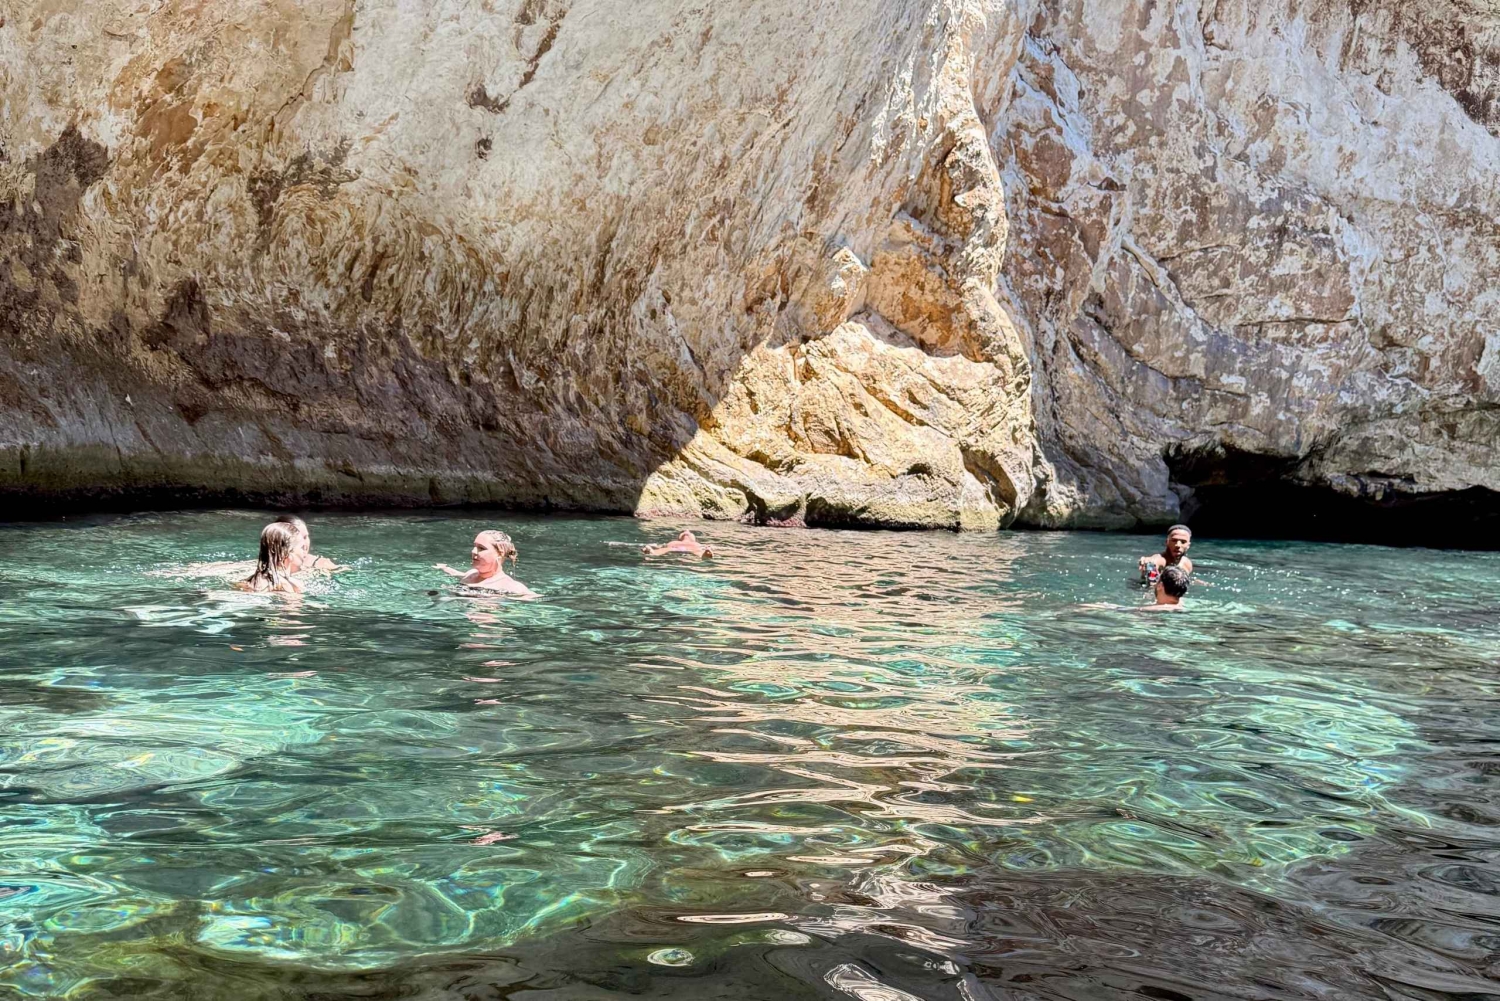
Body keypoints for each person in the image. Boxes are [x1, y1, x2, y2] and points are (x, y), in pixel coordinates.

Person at [436, 530, 537, 597]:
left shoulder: (509, 586)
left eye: (481, 548)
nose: (473, 551)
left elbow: (536, 598)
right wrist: (445, 568)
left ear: (500, 553)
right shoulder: (471, 573)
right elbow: (458, 574)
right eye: (475, 546)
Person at [239, 522, 304, 593]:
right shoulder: (284, 587)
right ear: (287, 554)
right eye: (302, 547)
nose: (305, 551)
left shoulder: (250, 581)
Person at [276, 515, 341, 571]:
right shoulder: (271, 567)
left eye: (305, 537)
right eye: (297, 539)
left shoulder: (322, 565)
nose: (303, 544)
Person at [642, 529, 715, 558]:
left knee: (698, 550)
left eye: (690, 532)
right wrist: (652, 546)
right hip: (674, 548)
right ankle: (653, 552)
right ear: (679, 538)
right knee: (666, 549)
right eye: (683, 532)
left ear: (694, 538)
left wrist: (710, 547)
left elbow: (710, 547)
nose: (686, 531)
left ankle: (705, 555)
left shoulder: (697, 544)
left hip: (692, 549)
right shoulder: (674, 542)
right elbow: (659, 546)